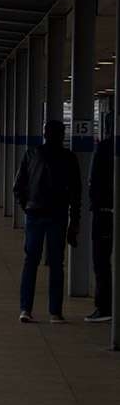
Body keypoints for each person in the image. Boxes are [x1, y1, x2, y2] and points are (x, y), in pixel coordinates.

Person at [13, 120, 81, 324]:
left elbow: (18, 187)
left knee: (31, 262)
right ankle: (55, 312)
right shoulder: (69, 158)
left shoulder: (31, 154)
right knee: (56, 264)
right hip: (57, 217)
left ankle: (25, 309)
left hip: (36, 215)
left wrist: (27, 207)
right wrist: (74, 222)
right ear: (63, 135)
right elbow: (76, 194)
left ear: (45, 134)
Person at [86, 124, 113, 323]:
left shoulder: (104, 148)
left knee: (101, 261)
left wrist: (95, 206)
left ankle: (104, 307)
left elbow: (94, 182)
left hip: (103, 213)